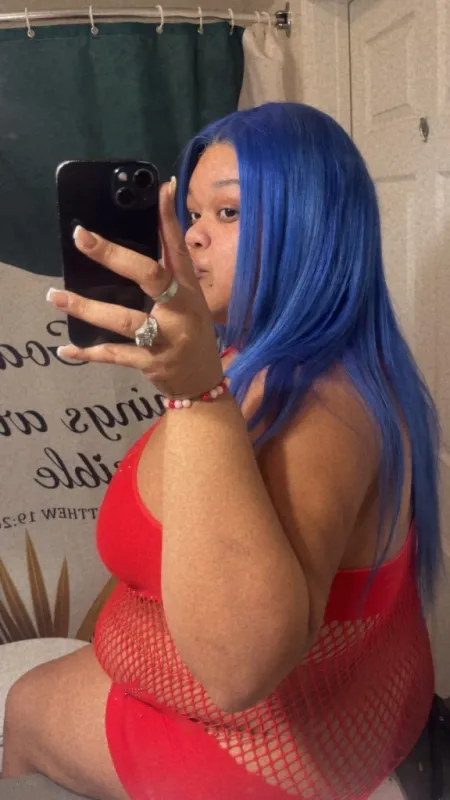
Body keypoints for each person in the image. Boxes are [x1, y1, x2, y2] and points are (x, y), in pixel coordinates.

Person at [2, 102, 441, 800]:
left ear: (311, 227)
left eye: (228, 213)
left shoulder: (321, 406)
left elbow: (239, 671)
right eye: (193, 214)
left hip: (256, 755)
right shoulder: (314, 359)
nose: (192, 236)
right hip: (331, 710)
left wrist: (194, 394)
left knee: (22, 705)